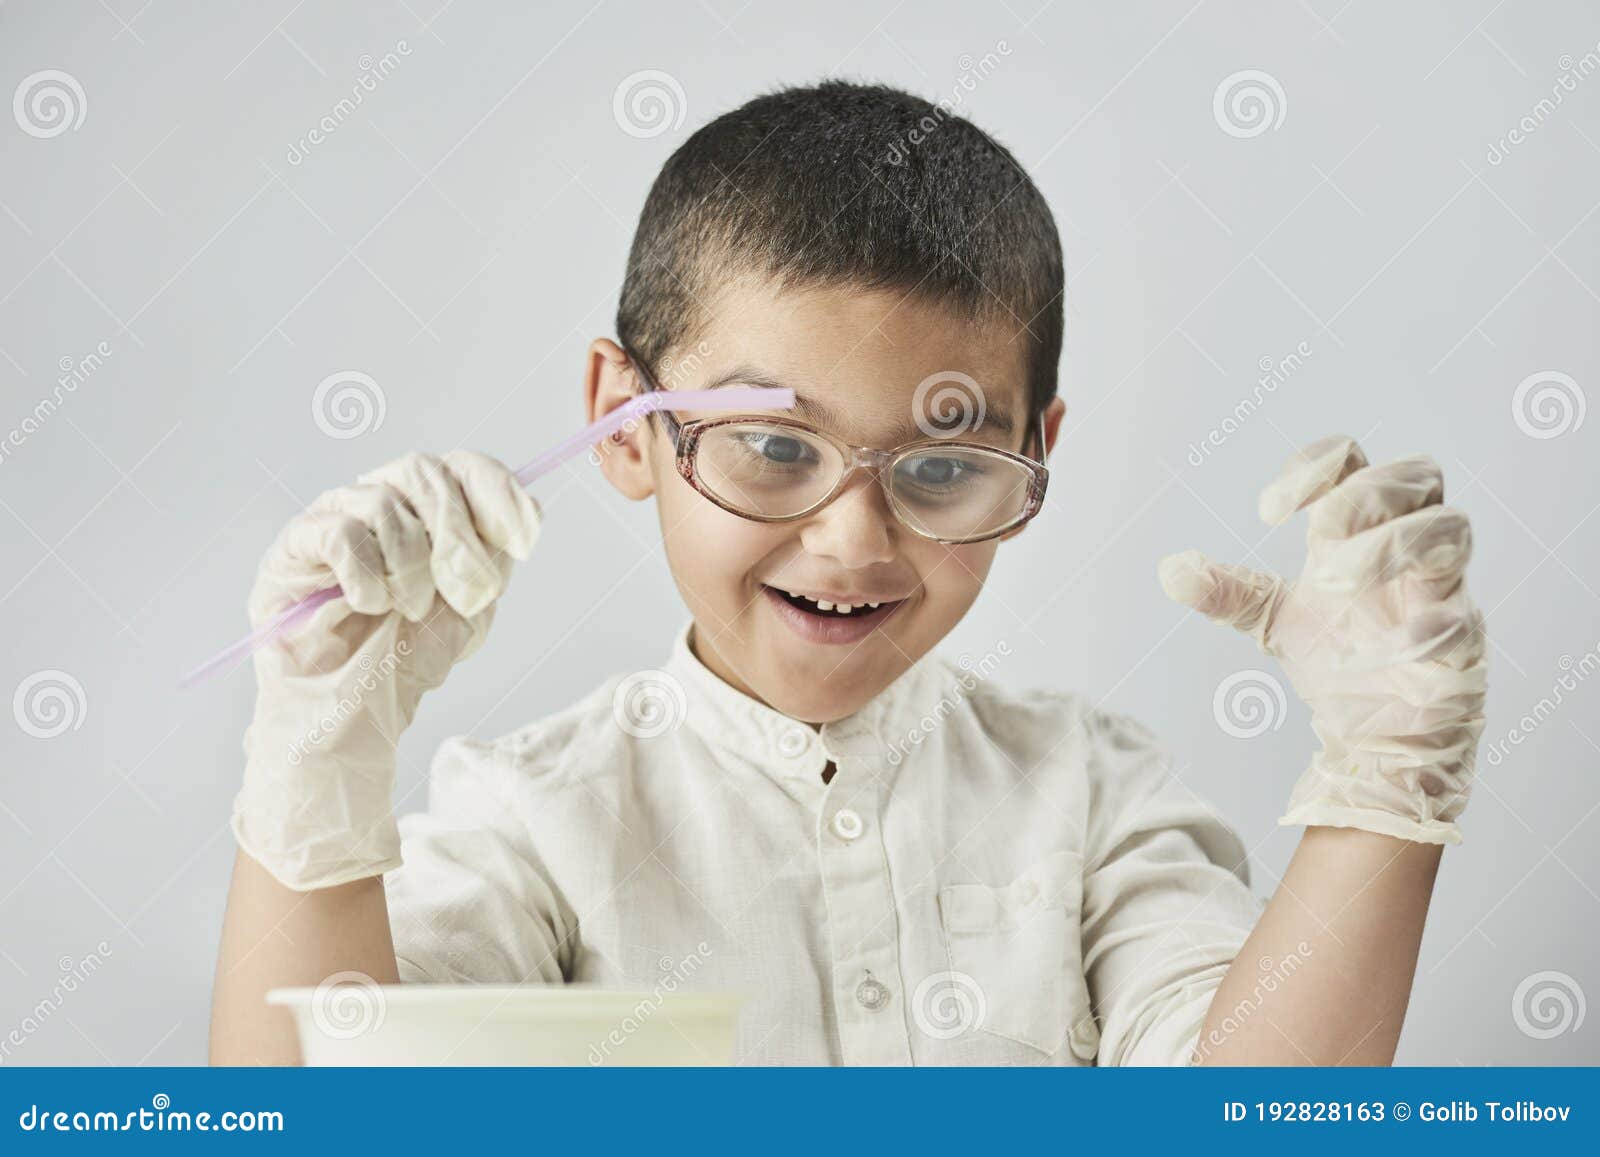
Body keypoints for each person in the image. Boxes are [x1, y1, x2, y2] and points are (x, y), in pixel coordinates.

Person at [209, 81, 1487, 1066]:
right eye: (772, 446)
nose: (853, 541)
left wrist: (1383, 786)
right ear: (625, 418)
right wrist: (317, 771)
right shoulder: (535, 822)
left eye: (941, 464)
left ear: (1034, 451)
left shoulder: (1087, 794)